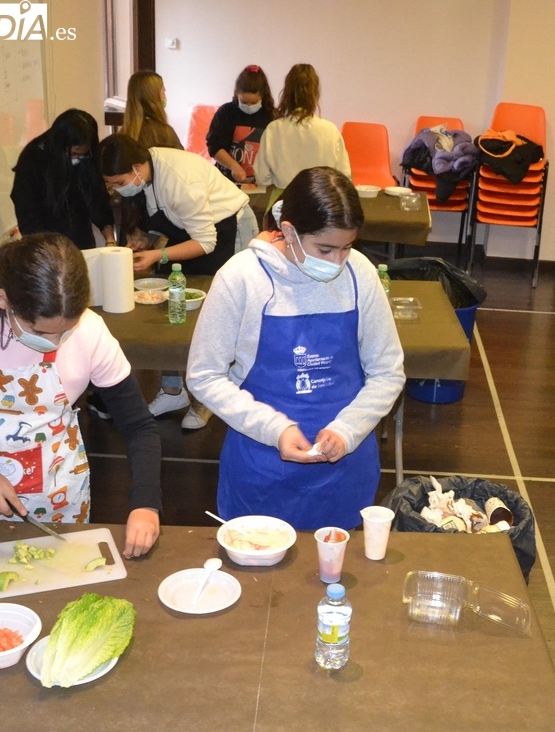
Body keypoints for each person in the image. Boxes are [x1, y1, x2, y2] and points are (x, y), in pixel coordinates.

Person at [0, 234, 161, 558]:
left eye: (66, 330)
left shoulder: (92, 332)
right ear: (4, 299)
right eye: (40, 332)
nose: (55, 342)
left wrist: (146, 503)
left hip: (58, 493)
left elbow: (138, 427)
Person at [186, 167, 404, 530]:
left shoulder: (360, 273)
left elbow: (387, 370)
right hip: (263, 466)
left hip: (345, 468)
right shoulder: (242, 278)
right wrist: (276, 429)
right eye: (325, 249)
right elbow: (204, 375)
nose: (337, 262)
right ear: (288, 231)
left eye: (347, 247)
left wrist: (348, 430)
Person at [100, 133, 259, 430]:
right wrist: (145, 242)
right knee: (172, 314)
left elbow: (207, 241)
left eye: (120, 182)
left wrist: (156, 256)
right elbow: (169, 222)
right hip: (194, 235)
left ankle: (207, 398)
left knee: (215, 315)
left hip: (227, 230)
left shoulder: (178, 180)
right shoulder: (145, 177)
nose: (117, 189)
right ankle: (173, 390)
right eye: (111, 184)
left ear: (137, 166)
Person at [10, 109, 116, 250]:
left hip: (82, 241)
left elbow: (97, 198)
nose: (78, 158)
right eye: (74, 154)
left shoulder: (88, 157)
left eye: (83, 154)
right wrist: (48, 251)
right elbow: (28, 216)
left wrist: (109, 239)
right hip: (48, 246)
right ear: (60, 146)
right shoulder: (32, 160)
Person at [253, 64, 351, 189]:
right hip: (322, 201)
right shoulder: (330, 130)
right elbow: (344, 176)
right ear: (315, 93)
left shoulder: (273, 129)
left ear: (286, 93)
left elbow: (262, 177)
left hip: (285, 200)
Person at [206, 65, 276, 184]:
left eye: (254, 102)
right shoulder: (226, 112)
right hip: (227, 180)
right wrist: (233, 166)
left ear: (262, 96)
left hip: (261, 182)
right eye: (243, 102)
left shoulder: (272, 116)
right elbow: (214, 146)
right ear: (237, 94)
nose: (249, 106)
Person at [122, 70, 183, 151]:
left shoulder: (123, 134)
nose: (165, 97)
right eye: (163, 93)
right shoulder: (166, 133)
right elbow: (179, 160)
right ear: (154, 97)